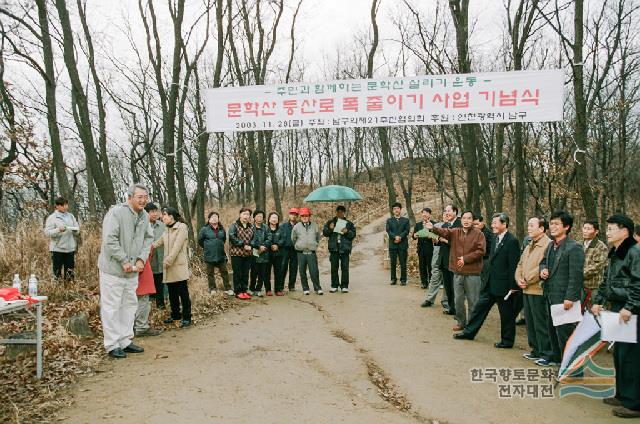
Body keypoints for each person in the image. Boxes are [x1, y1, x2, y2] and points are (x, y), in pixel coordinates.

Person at [591, 214, 640, 419]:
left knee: (631, 357)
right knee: (619, 355)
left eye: (612, 228)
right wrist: (598, 300)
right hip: (617, 307)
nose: (608, 232)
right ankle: (622, 394)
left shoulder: (634, 252)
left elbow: (638, 282)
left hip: (631, 311)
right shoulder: (616, 252)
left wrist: (630, 307)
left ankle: (634, 403)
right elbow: (607, 280)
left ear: (625, 231)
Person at [97, 183, 153, 359]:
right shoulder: (116, 213)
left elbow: (148, 239)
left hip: (132, 271)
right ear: (129, 198)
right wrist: (123, 260)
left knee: (129, 305)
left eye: (145, 197)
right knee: (112, 307)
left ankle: (125, 340)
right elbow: (109, 240)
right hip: (113, 269)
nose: (143, 200)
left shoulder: (144, 216)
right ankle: (112, 344)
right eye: (139, 197)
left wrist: (141, 259)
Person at [453, 213, 521, 349]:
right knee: (479, 308)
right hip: (490, 283)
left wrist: (513, 286)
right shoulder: (495, 237)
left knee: (506, 314)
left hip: (504, 286)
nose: (493, 225)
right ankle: (469, 332)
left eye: (495, 223)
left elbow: (514, 265)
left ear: (504, 224)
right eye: (493, 222)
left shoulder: (512, 241)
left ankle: (507, 341)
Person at [537, 210, 584, 366]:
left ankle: (573, 371)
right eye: (551, 223)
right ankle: (559, 364)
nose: (553, 226)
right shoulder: (551, 245)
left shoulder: (574, 247)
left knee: (566, 336)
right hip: (550, 296)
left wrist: (570, 297)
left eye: (557, 224)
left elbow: (576, 277)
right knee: (553, 334)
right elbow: (543, 262)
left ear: (567, 227)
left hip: (565, 300)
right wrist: (542, 270)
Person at [426, 210, 486, 331]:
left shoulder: (479, 234)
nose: (466, 220)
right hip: (458, 272)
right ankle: (461, 322)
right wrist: (432, 228)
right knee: (458, 300)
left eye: (469, 218)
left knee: (473, 301)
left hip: (472, 273)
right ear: (461, 219)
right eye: (464, 218)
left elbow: (481, 251)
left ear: (473, 220)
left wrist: (466, 259)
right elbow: (444, 231)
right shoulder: (455, 232)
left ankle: (472, 325)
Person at [515, 216, 552, 363]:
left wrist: (527, 279)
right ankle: (535, 349)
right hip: (526, 289)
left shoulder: (548, 245)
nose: (528, 228)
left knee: (540, 323)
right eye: (528, 225)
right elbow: (520, 264)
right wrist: (519, 279)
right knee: (530, 322)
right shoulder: (529, 243)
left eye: (532, 225)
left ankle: (546, 353)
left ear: (542, 229)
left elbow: (543, 267)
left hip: (538, 289)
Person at [154, 207, 191, 328]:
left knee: (183, 292)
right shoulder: (167, 230)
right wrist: (148, 247)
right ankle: (175, 315)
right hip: (169, 266)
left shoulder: (182, 227)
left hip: (177, 265)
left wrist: (168, 260)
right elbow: (158, 242)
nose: (162, 217)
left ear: (171, 216)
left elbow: (177, 247)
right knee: (172, 292)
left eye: (164, 214)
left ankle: (187, 317)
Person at [44, 196, 80, 281]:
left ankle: (69, 291)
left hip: (70, 248)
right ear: (57, 206)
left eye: (66, 205)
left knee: (70, 274)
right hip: (57, 249)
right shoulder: (52, 218)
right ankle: (58, 292)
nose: (66, 207)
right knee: (57, 274)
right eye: (63, 205)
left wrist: (75, 230)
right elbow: (47, 232)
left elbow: (78, 229)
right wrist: (58, 230)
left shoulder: (71, 216)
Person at [323, 205, 356, 293]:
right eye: (338, 212)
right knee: (334, 267)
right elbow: (325, 233)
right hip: (334, 248)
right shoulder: (330, 222)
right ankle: (334, 285)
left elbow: (353, 235)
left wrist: (347, 232)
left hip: (344, 248)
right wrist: (330, 228)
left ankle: (344, 286)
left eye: (341, 212)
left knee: (345, 267)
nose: (340, 213)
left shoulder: (349, 223)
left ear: (344, 213)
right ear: (336, 212)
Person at [198, 212, 233, 296]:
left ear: (218, 219)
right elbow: (200, 241)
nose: (214, 218)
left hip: (220, 254)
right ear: (209, 219)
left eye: (216, 217)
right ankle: (212, 289)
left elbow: (223, 240)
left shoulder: (222, 229)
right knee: (210, 273)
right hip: (209, 254)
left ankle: (228, 288)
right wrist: (208, 247)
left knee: (224, 272)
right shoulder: (204, 229)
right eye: (212, 217)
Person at [292, 207, 323, 295]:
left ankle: (317, 288)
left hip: (311, 252)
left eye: (306, 215)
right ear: (300, 217)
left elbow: (318, 237)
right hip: (301, 253)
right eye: (303, 216)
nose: (305, 217)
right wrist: (298, 246)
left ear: (309, 216)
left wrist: (314, 244)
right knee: (302, 270)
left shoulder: (315, 225)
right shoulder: (296, 227)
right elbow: (293, 238)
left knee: (314, 271)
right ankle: (305, 288)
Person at [438, 204, 461, 314]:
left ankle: (458, 309)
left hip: (454, 260)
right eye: (445, 211)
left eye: (449, 211)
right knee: (447, 286)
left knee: (455, 286)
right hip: (444, 259)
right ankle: (452, 308)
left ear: (455, 212)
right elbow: (440, 242)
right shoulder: (445, 225)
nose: (447, 213)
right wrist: (437, 239)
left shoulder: (460, 224)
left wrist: (445, 241)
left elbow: (462, 243)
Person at [581, 220, 608, 310]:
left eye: (588, 229)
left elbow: (596, 267)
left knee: (595, 313)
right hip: (580, 286)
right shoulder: (579, 245)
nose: (585, 231)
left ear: (596, 232)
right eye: (584, 228)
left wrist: (578, 274)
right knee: (578, 313)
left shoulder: (601, 246)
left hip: (594, 287)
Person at [134, 248, 161, 337]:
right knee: (143, 300)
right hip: (142, 270)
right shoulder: (142, 240)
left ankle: (136, 326)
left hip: (135, 271)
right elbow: (149, 253)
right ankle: (141, 327)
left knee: (138, 301)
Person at [228, 208, 254, 299]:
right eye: (244, 214)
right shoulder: (234, 225)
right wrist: (243, 245)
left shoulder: (251, 226)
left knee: (245, 273)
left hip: (248, 254)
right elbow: (232, 237)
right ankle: (238, 291)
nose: (246, 216)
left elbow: (255, 238)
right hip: (236, 254)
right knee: (237, 273)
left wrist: (251, 245)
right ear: (240, 215)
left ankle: (244, 290)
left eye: (248, 214)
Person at [421, 215, 445, 308]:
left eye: (448, 212)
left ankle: (446, 302)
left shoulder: (456, 225)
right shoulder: (437, 225)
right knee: (435, 274)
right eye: (444, 213)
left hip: (450, 252)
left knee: (448, 278)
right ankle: (429, 299)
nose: (446, 215)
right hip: (437, 250)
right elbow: (429, 236)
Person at [145, 203, 166, 309]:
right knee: (148, 285)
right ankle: (148, 307)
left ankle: (161, 305)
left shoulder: (162, 225)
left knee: (160, 284)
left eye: (156, 211)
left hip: (161, 260)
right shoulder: (142, 226)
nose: (155, 214)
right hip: (148, 262)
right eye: (152, 212)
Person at [386, 202, 410, 286]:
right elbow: (388, 231)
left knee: (403, 262)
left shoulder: (406, 220)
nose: (396, 210)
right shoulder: (389, 220)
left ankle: (403, 279)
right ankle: (393, 279)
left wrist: (400, 237)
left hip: (402, 244)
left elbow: (407, 231)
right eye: (394, 209)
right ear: (393, 211)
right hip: (393, 244)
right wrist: (394, 237)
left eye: (398, 208)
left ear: (400, 209)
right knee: (393, 262)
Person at [249, 210, 272, 297]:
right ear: (254, 217)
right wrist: (258, 246)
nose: (259, 218)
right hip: (254, 253)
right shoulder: (250, 227)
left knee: (262, 273)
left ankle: (258, 289)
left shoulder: (266, 227)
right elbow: (249, 240)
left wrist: (263, 247)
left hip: (264, 254)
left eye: (261, 217)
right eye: (257, 216)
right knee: (253, 273)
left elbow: (269, 238)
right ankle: (251, 288)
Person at [412, 208, 436, 289]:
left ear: (429, 214)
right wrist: (414, 236)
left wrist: (431, 235)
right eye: (423, 213)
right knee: (422, 266)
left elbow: (436, 235)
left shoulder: (434, 224)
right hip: (421, 248)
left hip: (431, 248)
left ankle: (431, 282)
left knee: (431, 266)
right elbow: (413, 236)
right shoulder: (418, 224)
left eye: (426, 213)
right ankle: (423, 282)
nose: (424, 214)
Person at [280, 208, 299, 292]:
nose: (293, 216)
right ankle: (280, 285)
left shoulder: (299, 225)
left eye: (295, 214)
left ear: (297, 216)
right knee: (283, 267)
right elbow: (279, 237)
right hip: (285, 249)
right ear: (289, 215)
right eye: (292, 214)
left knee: (293, 268)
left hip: (295, 250)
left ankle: (291, 286)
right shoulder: (283, 226)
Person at [473, 215, 494, 291]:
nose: (475, 226)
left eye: (477, 224)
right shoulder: (473, 232)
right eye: (474, 224)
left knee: (484, 280)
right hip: (475, 260)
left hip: (485, 259)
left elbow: (491, 249)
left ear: (482, 223)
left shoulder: (489, 233)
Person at [267, 212, 285, 296]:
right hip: (267, 253)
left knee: (278, 272)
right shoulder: (265, 229)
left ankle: (278, 289)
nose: (274, 219)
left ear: (278, 220)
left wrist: (277, 245)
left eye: (276, 218)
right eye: (272, 217)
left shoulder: (281, 229)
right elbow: (264, 239)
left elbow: (283, 239)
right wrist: (271, 245)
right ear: (269, 219)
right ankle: (268, 289)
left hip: (278, 254)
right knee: (267, 272)